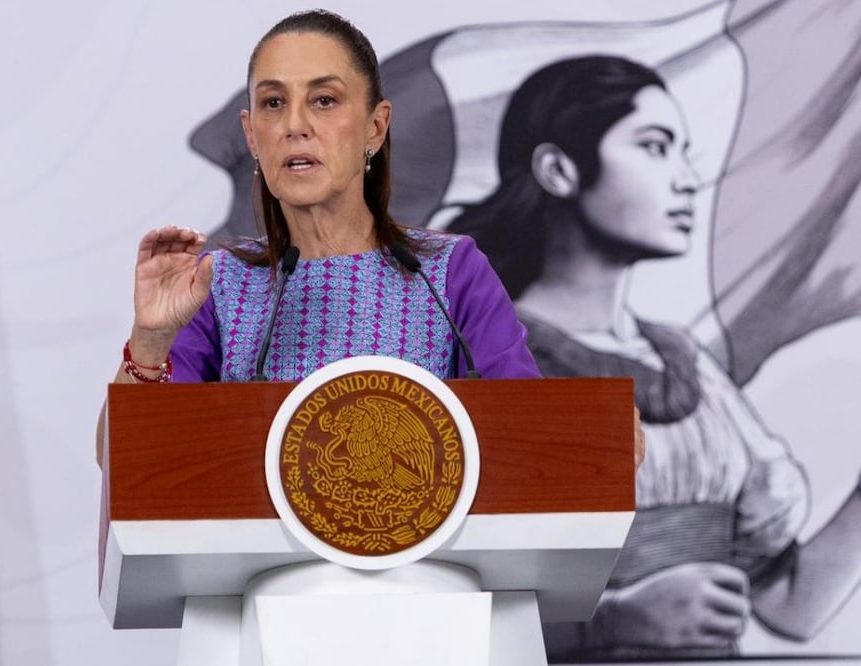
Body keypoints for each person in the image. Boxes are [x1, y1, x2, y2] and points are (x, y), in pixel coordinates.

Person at [449, 55, 861, 660]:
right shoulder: (483, 358)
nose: (688, 178)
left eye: (683, 149)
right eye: (655, 146)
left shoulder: (684, 361)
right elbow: (426, 603)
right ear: (559, 170)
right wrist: (613, 621)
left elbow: (789, 606)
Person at [94, 9, 547, 465]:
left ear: (376, 126)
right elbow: (124, 464)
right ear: (252, 136)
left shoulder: (449, 271)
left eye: (324, 100)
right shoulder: (216, 282)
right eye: (273, 103)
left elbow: (532, 440)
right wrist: (151, 339)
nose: (295, 125)